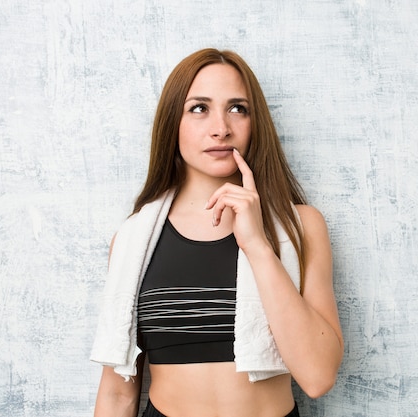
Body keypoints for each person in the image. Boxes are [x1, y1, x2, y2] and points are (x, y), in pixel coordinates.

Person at [90, 48, 343, 417]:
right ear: (172, 122)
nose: (221, 128)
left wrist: (257, 245)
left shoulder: (301, 226)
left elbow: (318, 377)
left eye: (238, 108)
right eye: (199, 108)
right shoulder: (133, 240)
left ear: (255, 123)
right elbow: (117, 395)